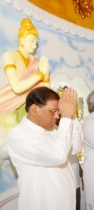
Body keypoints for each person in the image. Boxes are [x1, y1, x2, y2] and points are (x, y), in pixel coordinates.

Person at [7, 86, 80, 210]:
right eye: (53, 111)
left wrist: (71, 117)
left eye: (59, 112)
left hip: (65, 204)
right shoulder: (18, 135)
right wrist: (66, 118)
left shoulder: (52, 131)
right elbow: (58, 156)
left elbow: (75, 147)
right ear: (34, 109)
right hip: (43, 205)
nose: (57, 116)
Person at [0, 18, 50, 162]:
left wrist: (45, 76)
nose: (34, 45)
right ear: (22, 39)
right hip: (7, 107)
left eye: (36, 42)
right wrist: (40, 74)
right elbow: (16, 88)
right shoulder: (9, 56)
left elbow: (46, 91)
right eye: (31, 40)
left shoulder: (35, 62)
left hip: (27, 109)